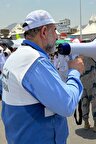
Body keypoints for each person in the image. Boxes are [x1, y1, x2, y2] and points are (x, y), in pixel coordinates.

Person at [1, 10, 84, 144]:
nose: (57, 36)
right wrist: (74, 72)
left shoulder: (14, 57)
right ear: (44, 31)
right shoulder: (35, 61)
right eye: (55, 30)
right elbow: (67, 105)